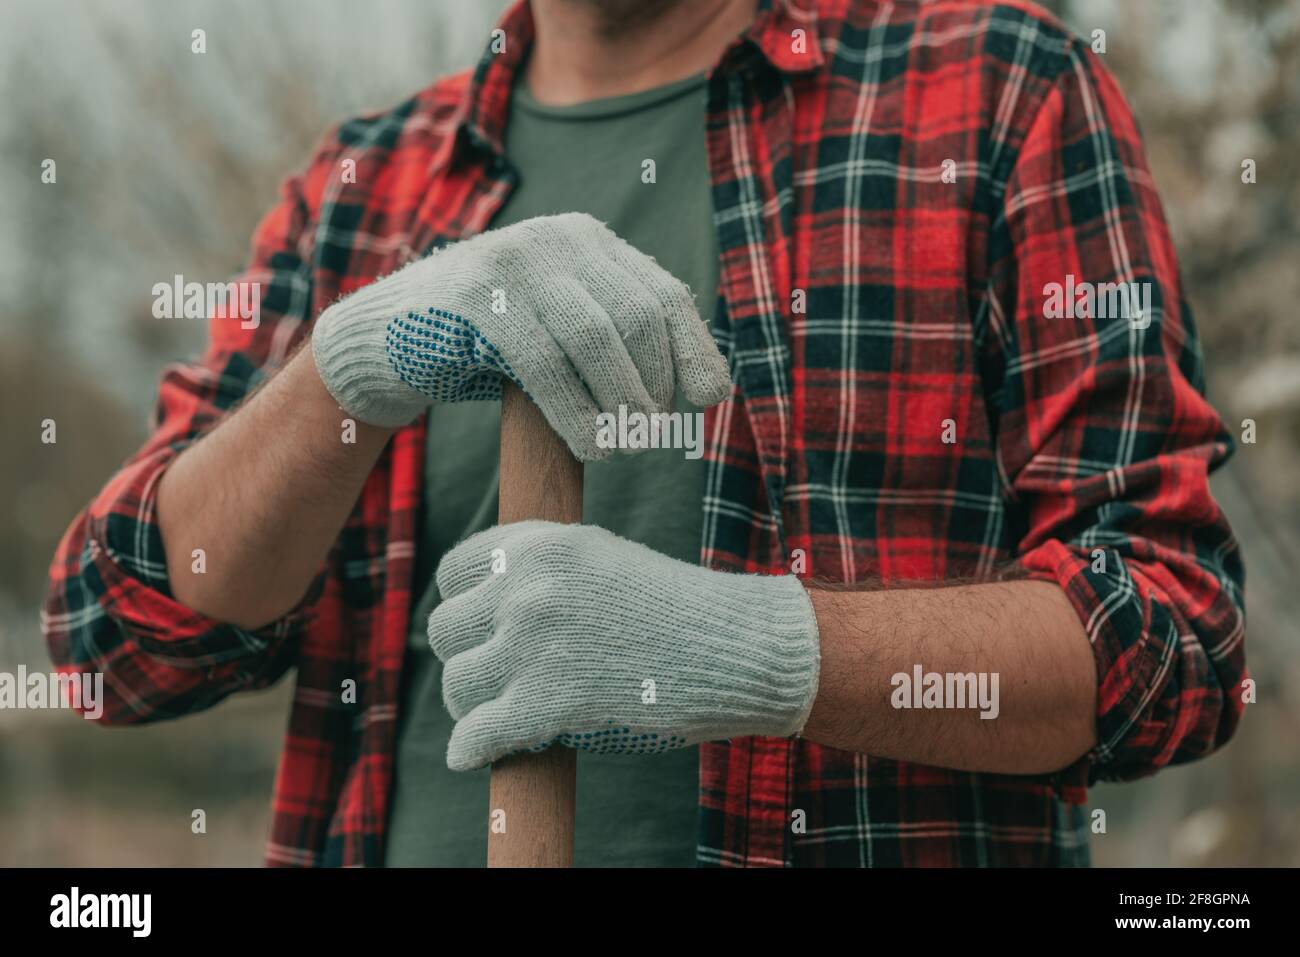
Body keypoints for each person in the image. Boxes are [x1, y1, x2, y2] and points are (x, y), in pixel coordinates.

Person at [43, 0, 1247, 867]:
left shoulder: (996, 90)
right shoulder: (367, 183)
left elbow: (1172, 640)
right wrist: (344, 372)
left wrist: (754, 650)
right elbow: (116, 642)